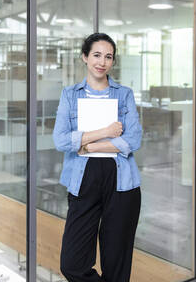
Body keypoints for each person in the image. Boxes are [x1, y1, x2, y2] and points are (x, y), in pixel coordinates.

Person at [53, 33, 143, 282]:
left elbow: (134, 139)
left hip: (122, 182)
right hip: (83, 179)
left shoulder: (124, 94)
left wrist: (88, 146)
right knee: (72, 264)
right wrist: (106, 132)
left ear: (112, 62)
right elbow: (60, 140)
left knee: (117, 265)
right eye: (96, 55)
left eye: (108, 57)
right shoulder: (70, 95)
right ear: (85, 57)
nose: (102, 61)